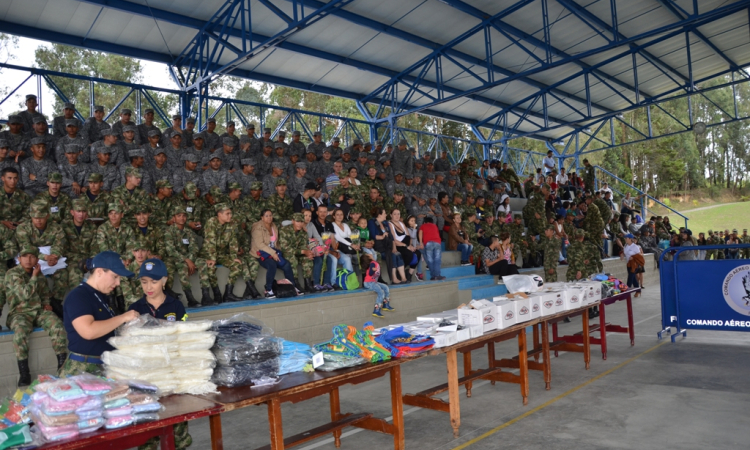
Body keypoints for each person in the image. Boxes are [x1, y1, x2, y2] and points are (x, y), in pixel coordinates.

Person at [125, 259, 192, 450]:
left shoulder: (176, 306)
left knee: (176, 421)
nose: (149, 287)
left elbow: (185, 335)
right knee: (148, 428)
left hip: (172, 371)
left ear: (164, 280)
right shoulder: (135, 308)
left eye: (153, 282)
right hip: (145, 374)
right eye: (144, 282)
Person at [59, 251, 140, 377]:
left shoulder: (101, 297)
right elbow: (88, 331)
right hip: (83, 369)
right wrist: (123, 317)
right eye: (115, 277)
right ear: (99, 272)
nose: (118, 283)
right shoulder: (79, 296)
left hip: (102, 366)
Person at [4, 246, 68, 386]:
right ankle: (24, 373)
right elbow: (25, 295)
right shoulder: (13, 274)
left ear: (36, 259)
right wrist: (34, 276)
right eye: (25, 256)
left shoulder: (39, 274)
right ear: (19, 259)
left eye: (32, 256)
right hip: (20, 313)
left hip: (38, 311)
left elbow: (45, 293)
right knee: (20, 333)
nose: (28, 260)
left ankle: (62, 367)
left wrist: (47, 304)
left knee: (57, 325)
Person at [200, 203, 248, 303]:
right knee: (210, 268)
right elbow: (210, 241)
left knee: (237, 265)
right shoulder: (211, 222)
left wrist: (233, 256)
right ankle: (216, 294)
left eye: (230, 213)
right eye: (227, 213)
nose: (230, 216)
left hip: (222, 254)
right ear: (219, 214)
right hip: (208, 254)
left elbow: (233, 241)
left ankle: (228, 294)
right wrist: (212, 258)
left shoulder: (231, 223)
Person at [251, 209, 300, 298]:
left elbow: (285, 224)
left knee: (286, 265)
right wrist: (273, 253)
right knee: (272, 264)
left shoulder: (274, 226)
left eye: (270, 215)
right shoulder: (257, 228)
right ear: (262, 218)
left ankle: (293, 286)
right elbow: (260, 244)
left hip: (274, 252)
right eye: (266, 216)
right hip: (261, 253)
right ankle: (268, 290)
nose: (269, 218)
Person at [389, 209, 419, 282]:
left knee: (418, 253)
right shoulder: (390, 224)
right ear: (391, 215)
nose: (397, 216)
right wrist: (406, 246)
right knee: (408, 254)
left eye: (398, 214)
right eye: (395, 214)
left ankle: (409, 274)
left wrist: (410, 246)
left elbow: (408, 235)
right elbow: (394, 240)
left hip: (407, 244)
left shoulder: (402, 223)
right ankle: (400, 274)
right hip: (399, 245)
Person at [360, 253, 394, 318]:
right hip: (369, 282)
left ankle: (386, 304)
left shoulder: (374, 262)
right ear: (368, 258)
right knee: (381, 293)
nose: (370, 254)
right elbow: (370, 273)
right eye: (369, 254)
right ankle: (376, 310)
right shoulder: (372, 263)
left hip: (373, 282)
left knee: (386, 287)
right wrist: (373, 270)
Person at [331, 208, 360, 281]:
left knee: (359, 256)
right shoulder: (332, 225)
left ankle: (354, 279)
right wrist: (351, 244)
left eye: (341, 214)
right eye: (337, 215)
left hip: (347, 248)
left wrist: (356, 244)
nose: (340, 216)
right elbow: (338, 237)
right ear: (334, 216)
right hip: (339, 248)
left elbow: (350, 236)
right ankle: (350, 280)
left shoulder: (345, 225)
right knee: (347, 258)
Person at [405, 215, 424, 280]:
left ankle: (423, 269)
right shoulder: (407, 229)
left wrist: (419, 245)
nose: (413, 222)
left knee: (423, 252)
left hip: (415, 247)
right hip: (409, 247)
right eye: (411, 221)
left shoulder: (413, 229)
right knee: (418, 255)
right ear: (408, 222)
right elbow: (412, 236)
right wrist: (414, 228)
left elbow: (416, 239)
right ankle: (418, 272)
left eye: (414, 221)